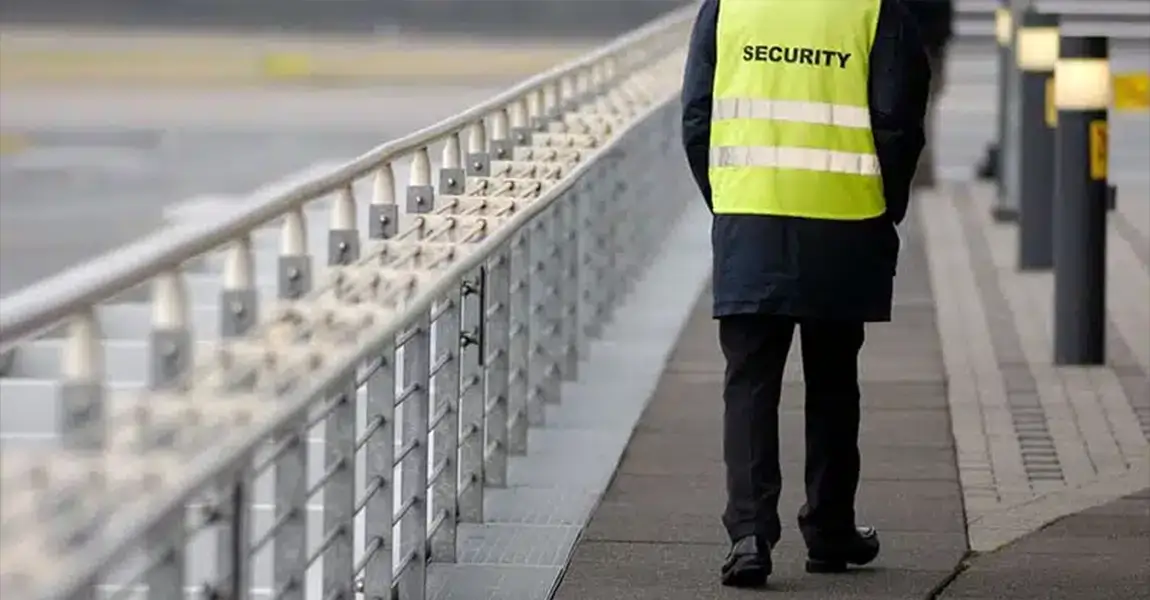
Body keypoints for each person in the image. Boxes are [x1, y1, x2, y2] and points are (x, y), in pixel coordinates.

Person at [679, 0, 932, 589]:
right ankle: (830, 529)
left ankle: (749, 535)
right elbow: (898, 120)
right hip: (844, 219)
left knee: (749, 381)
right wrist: (885, 206)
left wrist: (729, 201)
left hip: (751, 216)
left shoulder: (728, 6)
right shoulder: (873, 8)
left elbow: (696, 116)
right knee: (834, 382)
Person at [903, 0, 955, 188]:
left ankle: (913, 173)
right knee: (923, 114)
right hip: (929, 46)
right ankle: (920, 174)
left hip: (906, 44)